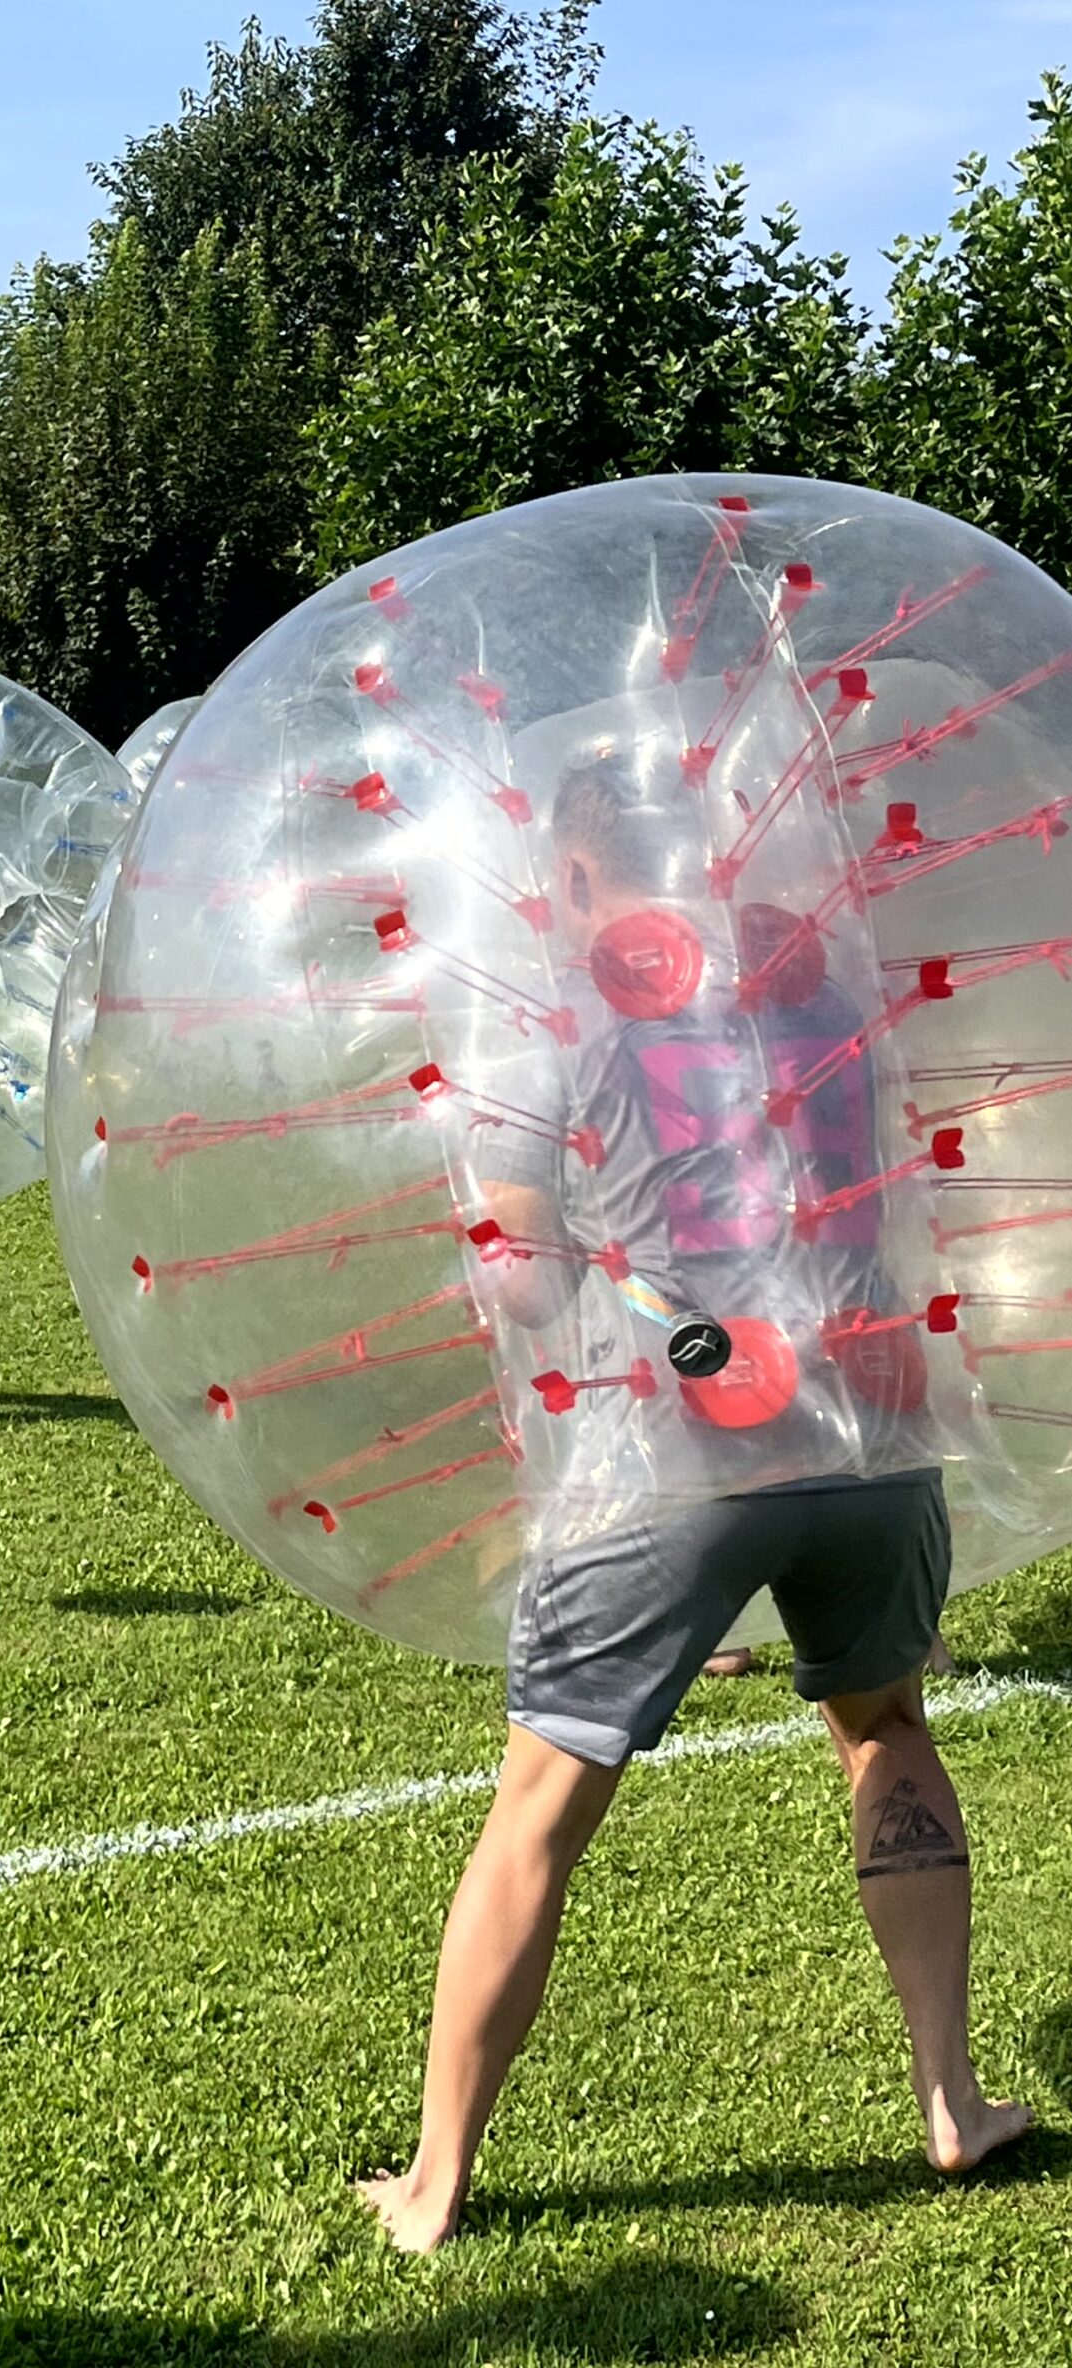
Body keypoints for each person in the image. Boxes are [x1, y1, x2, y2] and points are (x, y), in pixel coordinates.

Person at [358, 761, 1031, 2253]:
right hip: (871, 1437)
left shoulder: (563, 1029)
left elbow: (522, 1278)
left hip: (674, 1459)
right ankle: (950, 2099)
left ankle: (434, 2182)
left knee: (538, 1808)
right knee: (884, 1729)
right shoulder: (828, 992)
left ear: (583, 881)